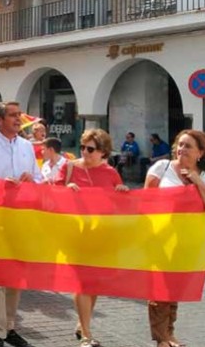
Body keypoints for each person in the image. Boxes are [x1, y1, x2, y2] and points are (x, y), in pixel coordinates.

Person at [0, 102, 42, 347]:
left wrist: (32, 178)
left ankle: (10, 326)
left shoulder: (26, 146)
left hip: (21, 217)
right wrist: (3, 183)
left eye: (18, 115)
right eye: (12, 115)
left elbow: (40, 178)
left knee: (16, 275)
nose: (18, 119)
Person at [144, 130, 205, 347]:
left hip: (188, 243)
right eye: (179, 145)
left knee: (174, 287)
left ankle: (169, 334)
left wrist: (197, 181)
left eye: (187, 146)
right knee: (160, 289)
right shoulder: (162, 168)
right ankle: (161, 339)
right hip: (160, 239)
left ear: (201, 152)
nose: (181, 149)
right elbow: (145, 202)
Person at [55, 128, 129, 347]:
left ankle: (81, 323)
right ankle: (87, 335)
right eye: (83, 147)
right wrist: (66, 188)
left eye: (91, 149)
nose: (85, 152)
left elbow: (120, 202)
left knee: (94, 282)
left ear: (103, 152)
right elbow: (52, 192)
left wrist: (123, 190)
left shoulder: (110, 172)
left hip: (102, 234)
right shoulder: (69, 167)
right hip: (75, 233)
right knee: (83, 281)